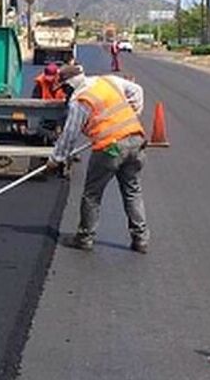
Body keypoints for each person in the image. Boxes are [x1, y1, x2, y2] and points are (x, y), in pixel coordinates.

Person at [47, 64, 149, 253]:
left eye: (64, 88)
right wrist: (135, 113)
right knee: (132, 191)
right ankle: (141, 239)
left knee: (92, 195)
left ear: (71, 83)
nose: (64, 93)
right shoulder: (107, 81)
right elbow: (137, 90)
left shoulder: (80, 100)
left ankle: (85, 238)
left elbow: (70, 134)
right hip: (136, 140)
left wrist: (56, 158)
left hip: (110, 148)